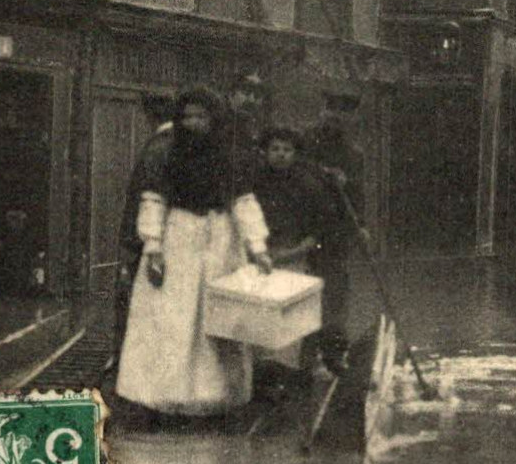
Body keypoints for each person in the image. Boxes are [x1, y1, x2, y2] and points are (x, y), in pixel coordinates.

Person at [115, 87, 273, 416]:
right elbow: (154, 200)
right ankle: (163, 395)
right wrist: (154, 247)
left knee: (215, 320)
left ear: (214, 118)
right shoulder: (168, 154)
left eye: (201, 116)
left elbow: (243, 201)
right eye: (187, 117)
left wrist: (257, 247)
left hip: (220, 241)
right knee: (172, 318)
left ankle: (215, 397)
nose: (193, 123)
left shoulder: (228, 156)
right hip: (179, 240)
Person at [250, 126, 344, 386]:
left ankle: (290, 369)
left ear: (295, 154)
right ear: (265, 152)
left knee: (293, 313)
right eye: (275, 149)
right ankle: (262, 369)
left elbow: (320, 228)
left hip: (296, 256)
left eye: (287, 150)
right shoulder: (254, 183)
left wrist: (298, 250)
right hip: (261, 257)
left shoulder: (309, 186)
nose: (280, 155)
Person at [300, 93, 367, 369]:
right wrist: (322, 174)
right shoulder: (303, 141)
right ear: (323, 109)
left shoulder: (354, 154)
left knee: (335, 291)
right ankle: (303, 354)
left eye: (344, 113)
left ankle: (333, 354)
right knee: (302, 290)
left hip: (335, 231)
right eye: (332, 110)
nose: (337, 117)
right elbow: (294, 171)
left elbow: (357, 193)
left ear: (351, 118)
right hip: (303, 227)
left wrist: (361, 225)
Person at [111, 94, 177, 368]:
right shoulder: (177, 145)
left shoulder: (159, 146)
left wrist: (130, 240)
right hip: (168, 235)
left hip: (148, 237)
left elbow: (144, 196)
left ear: (149, 115)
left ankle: (127, 361)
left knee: (137, 300)